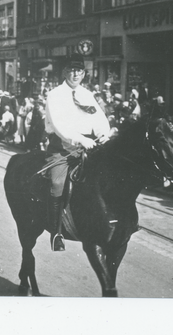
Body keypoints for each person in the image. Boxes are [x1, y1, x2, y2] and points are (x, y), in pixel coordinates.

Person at [44, 54, 110, 251]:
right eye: (72, 70)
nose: (75, 74)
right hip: (63, 148)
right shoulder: (55, 95)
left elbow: (99, 120)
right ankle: (56, 232)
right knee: (57, 183)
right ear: (65, 72)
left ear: (84, 74)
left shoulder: (87, 95)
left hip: (90, 146)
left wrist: (104, 134)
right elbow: (58, 125)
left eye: (79, 71)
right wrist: (80, 139)